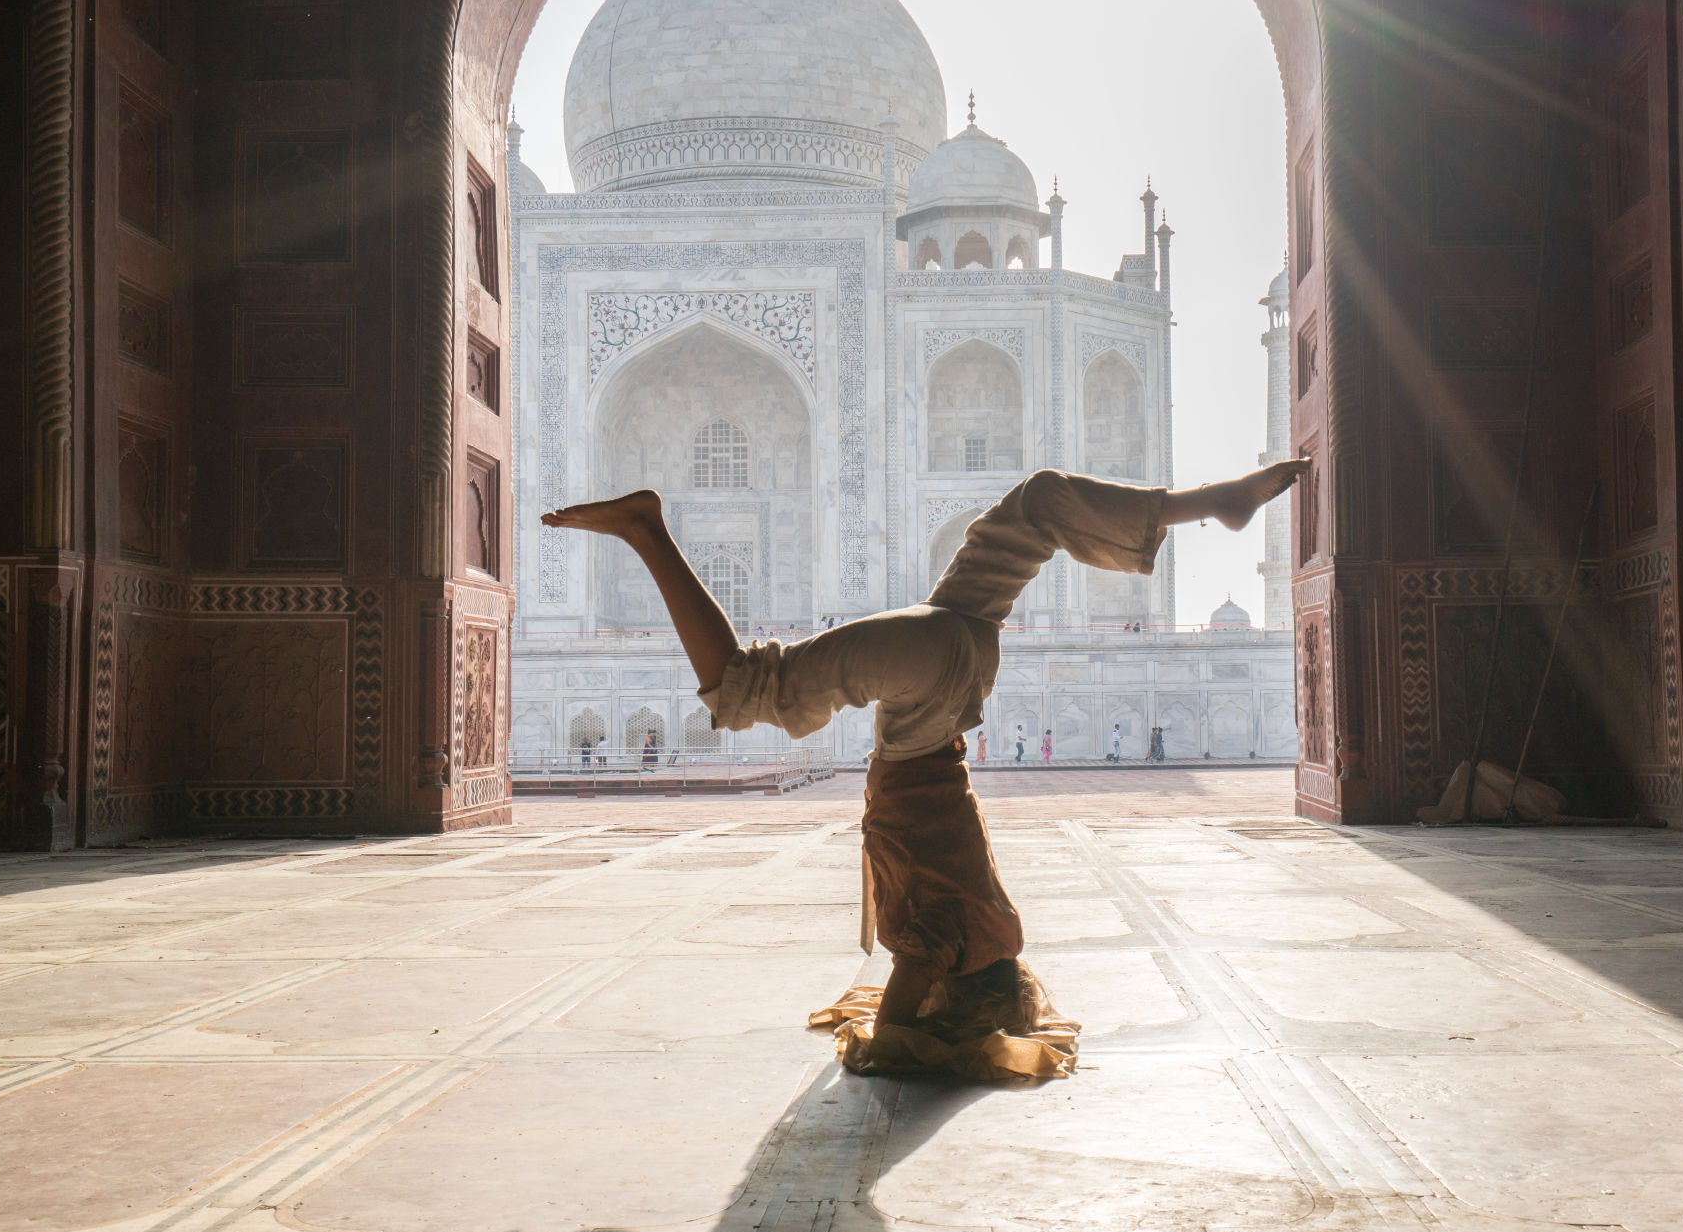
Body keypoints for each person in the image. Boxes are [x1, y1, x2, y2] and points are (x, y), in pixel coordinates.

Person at [543, 459, 1307, 1080]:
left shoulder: (996, 929)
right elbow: (899, 1013)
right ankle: (647, 531)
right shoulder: (945, 941)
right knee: (747, 690)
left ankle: (1215, 499)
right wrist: (900, 1037)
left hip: (968, 651)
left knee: (1035, 509)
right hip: (928, 691)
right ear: (957, 997)